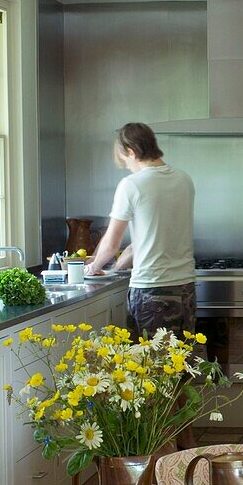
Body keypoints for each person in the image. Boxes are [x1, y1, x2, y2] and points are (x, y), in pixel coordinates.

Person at [86, 122, 196, 348]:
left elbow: (110, 243)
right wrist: (119, 264)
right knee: (180, 365)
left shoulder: (132, 185)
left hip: (152, 290)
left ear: (132, 152)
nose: (126, 167)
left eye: (125, 161)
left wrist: (92, 267)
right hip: (185, 288)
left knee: (151, 370)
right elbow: (153, 236)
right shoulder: (184, 180)